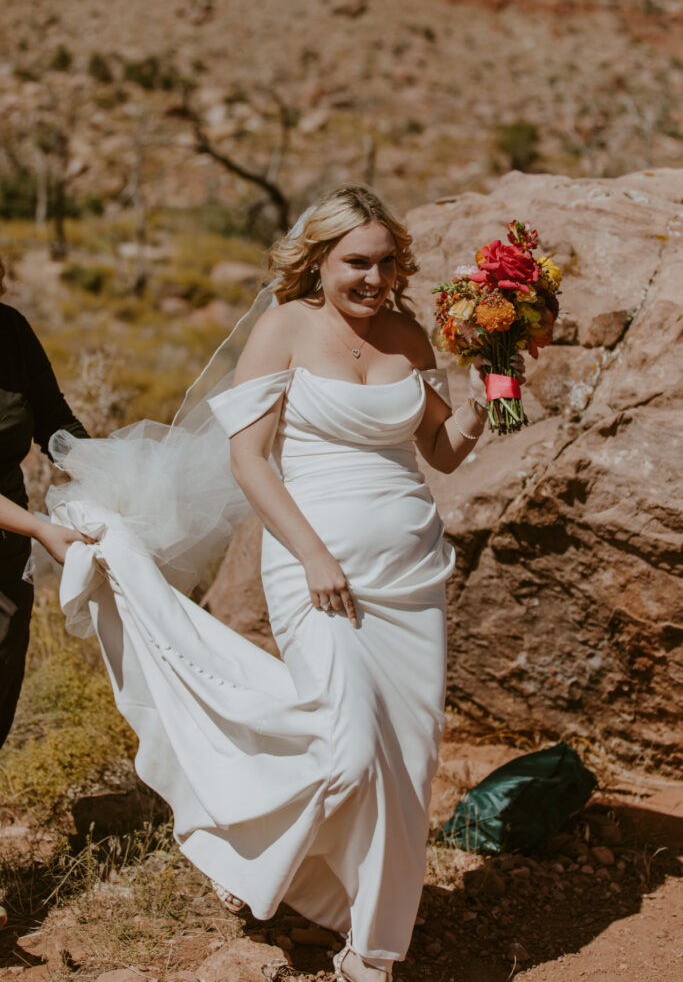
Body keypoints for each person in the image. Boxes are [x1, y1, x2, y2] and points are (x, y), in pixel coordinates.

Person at [47, 186, 523, 982]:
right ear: (320, 260)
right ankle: (276, 859)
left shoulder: (408, 335)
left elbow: (440, 453)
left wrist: (488, 392)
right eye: (355, 263)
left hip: (411, 573)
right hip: (318, 567)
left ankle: (370, 951)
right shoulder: (283, 328)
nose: (372, 278)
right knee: (345, 752)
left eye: (384, 262)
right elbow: (249, 459)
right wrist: (312, 553)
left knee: (407, 760)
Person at [0, 257, 91, 748]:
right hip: (20, 526)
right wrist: (39, 528)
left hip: (5, 546)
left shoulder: (10, 330)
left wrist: (111, 477)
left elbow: (55, 424)